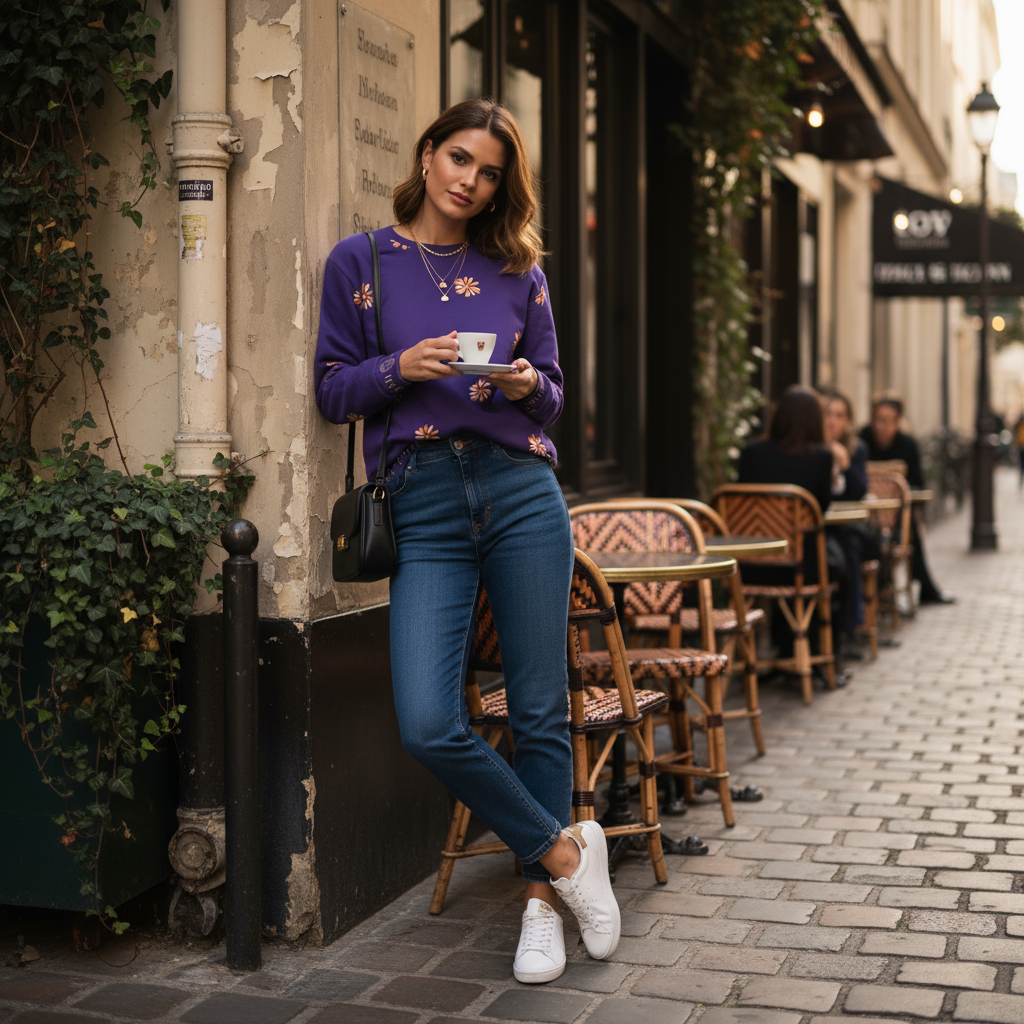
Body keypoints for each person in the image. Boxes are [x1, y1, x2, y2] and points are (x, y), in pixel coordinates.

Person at [314, 99, 619, 985]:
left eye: (489, 173)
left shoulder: (517, 267)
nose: (470, 181)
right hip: (424, 498)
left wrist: (527, 382)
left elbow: (557, 399)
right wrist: (398, 370)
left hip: (522, 490)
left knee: (537, 704)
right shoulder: (362, 261)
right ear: (427, 151)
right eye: (458, 159)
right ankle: (566, 857)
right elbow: (333, 391)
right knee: (427, 720)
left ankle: (537, 909)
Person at [738, 386, 847, 671]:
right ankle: (822, 658)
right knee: (840, 561)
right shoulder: (821, 457)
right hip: (801, 567)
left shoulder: (751, 453)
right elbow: (820, 512)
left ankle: (779, 652)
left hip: (752, 565)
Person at [859, 393, 954, 604]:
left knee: (909, 529)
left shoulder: (907, 445)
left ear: (897, 422)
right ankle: (884, 589)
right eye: (878, 419)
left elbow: (917, 483)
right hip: (866, 513)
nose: (882, 426)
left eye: (889, 421)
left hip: (896, 514)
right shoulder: (861, 441)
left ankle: (921, 587)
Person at [821, 387, 875, 657]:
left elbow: (857, 491)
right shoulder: (812, 449)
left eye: (840, 415)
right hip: (820, 527)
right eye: (828, 414)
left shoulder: (857, 449)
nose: (833, 421)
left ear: (848, 420)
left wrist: (842, 463)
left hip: (847, 525)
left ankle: (848, 630)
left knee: (850, 548)